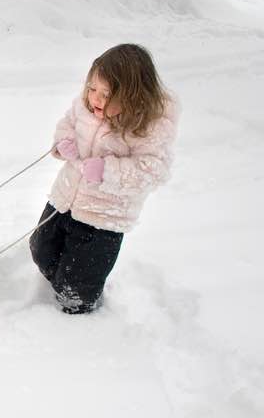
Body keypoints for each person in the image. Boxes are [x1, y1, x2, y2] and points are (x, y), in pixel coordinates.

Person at [30, 43, 179, 314]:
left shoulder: (147, 128)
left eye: (106, 94)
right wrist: (64, 141)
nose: (95, 99)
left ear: (133, 97)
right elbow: (68, 122)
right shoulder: (86, 106)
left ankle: (76, 313)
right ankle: (58, 283)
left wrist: (106, 172)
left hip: (102, 219)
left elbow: (152, 170)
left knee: (77, 284)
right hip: (65, 198)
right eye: (92, 89)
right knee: (41, 248)